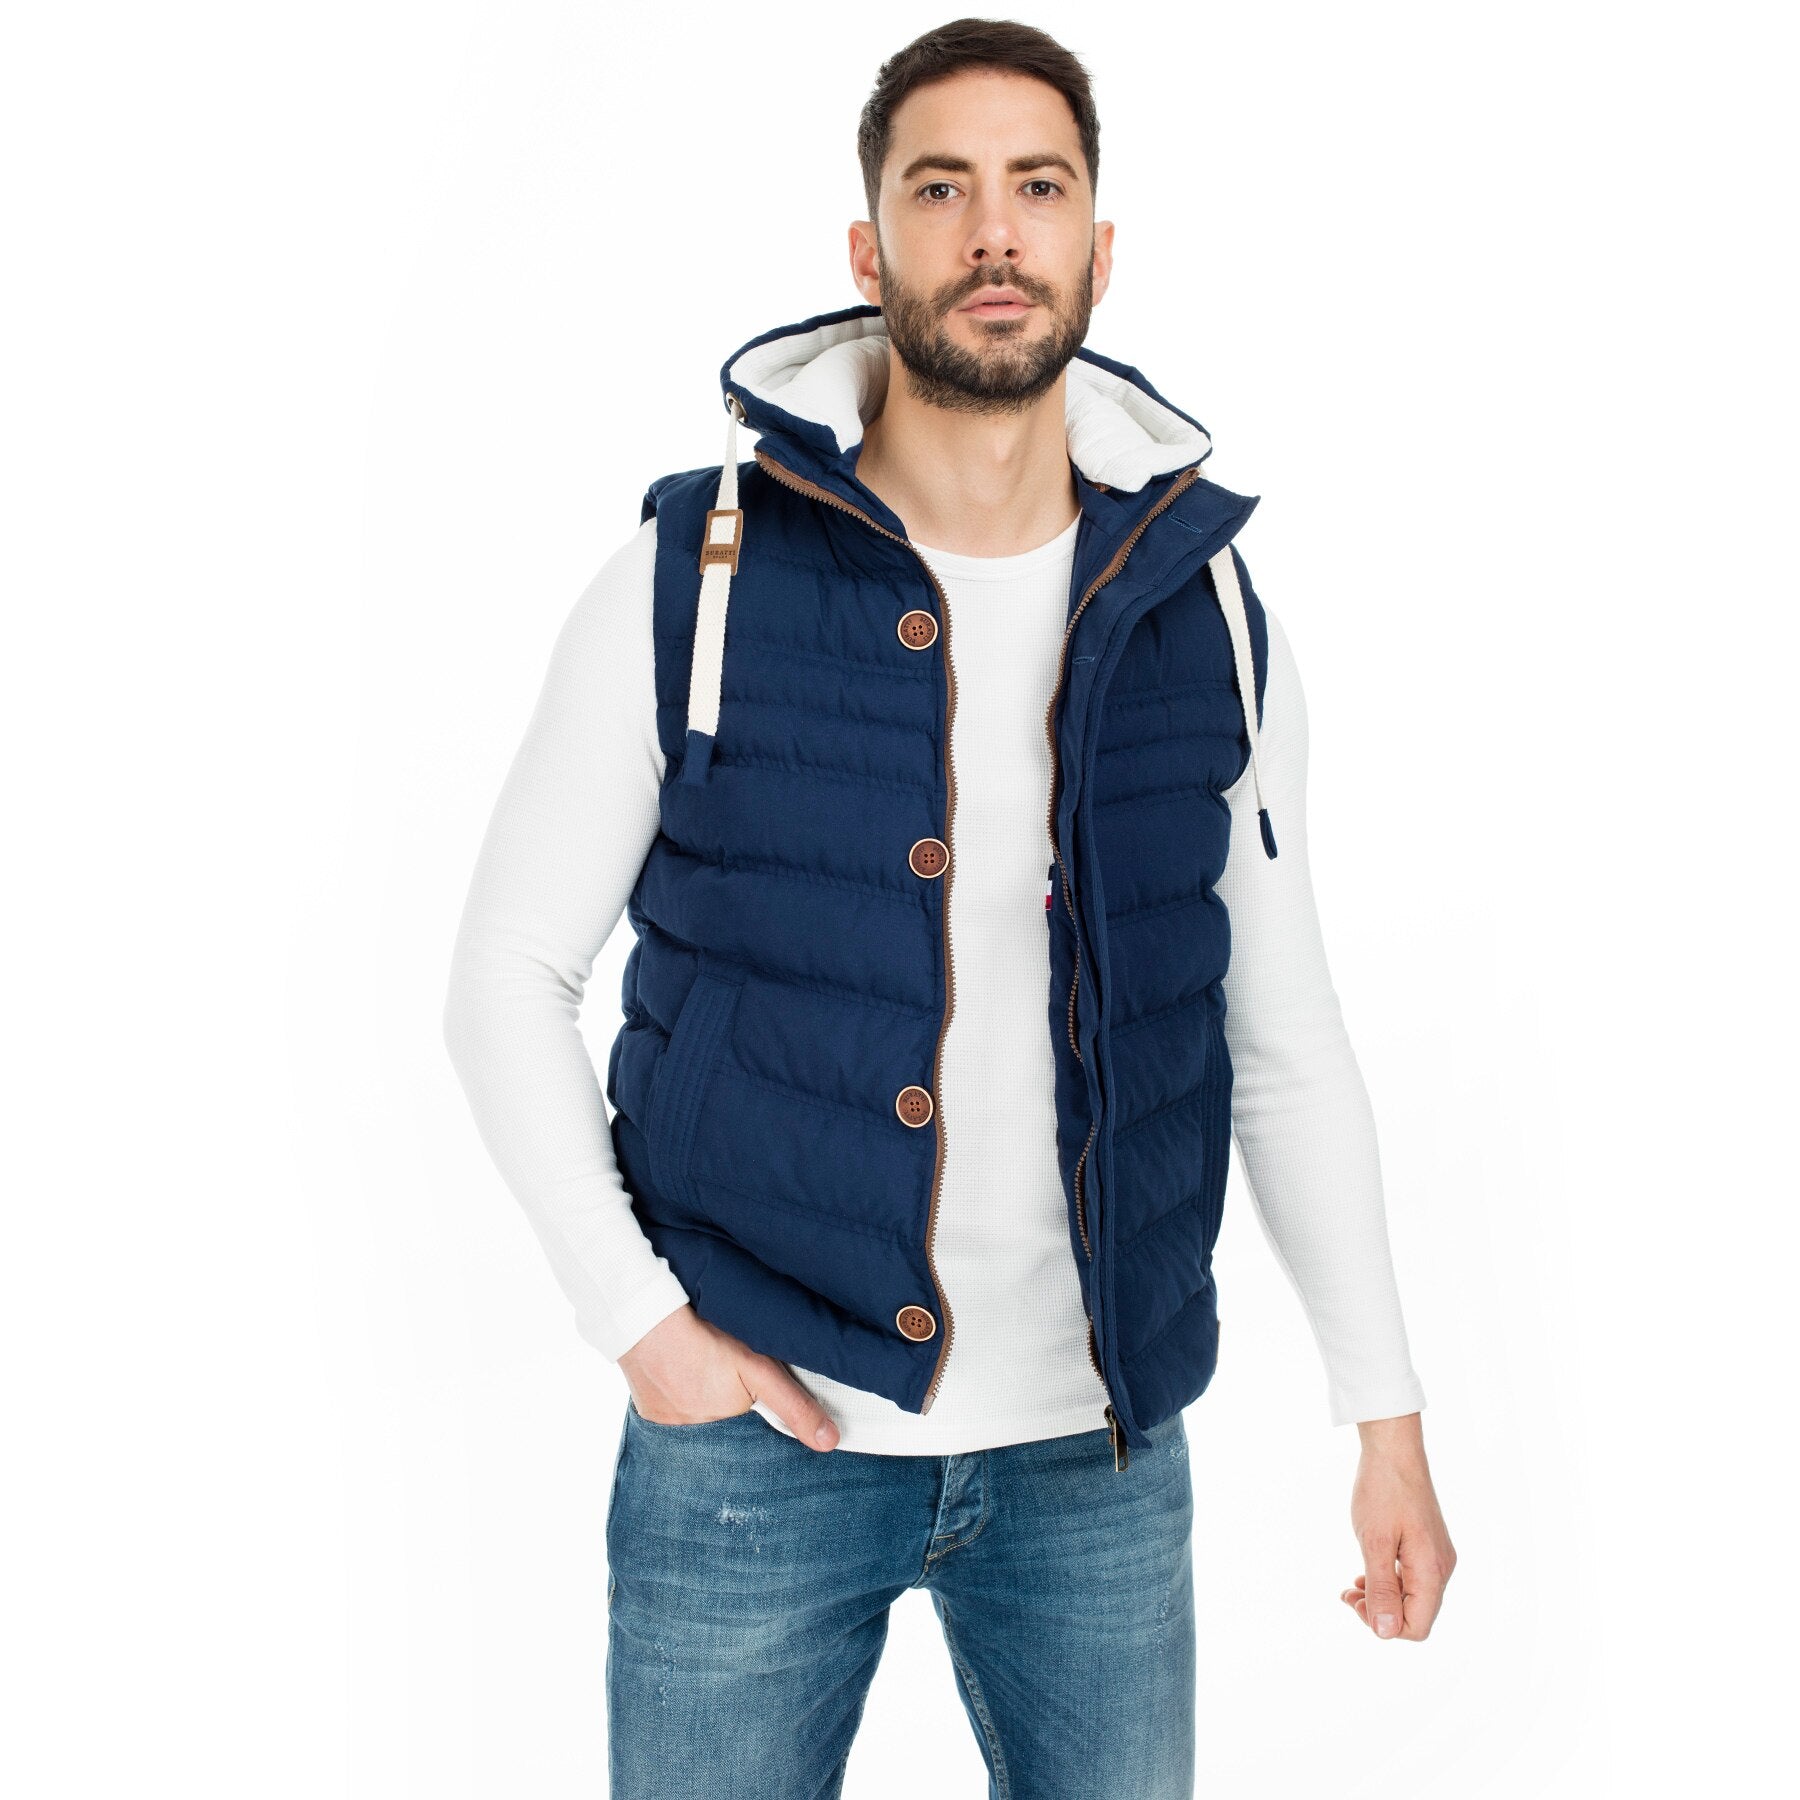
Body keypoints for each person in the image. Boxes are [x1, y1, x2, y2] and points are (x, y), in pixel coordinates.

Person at [443, 18, 1456, 1797]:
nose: (995, 231)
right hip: (757, 1437)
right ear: (870, 249)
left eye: (1037, 188)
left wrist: (1385, 1414)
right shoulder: (694, 579)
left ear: (1098, 248)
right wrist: (643, 1329)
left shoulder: (1206, 612)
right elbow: (506, 977)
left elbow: (1283, 1038)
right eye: (943, 189)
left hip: (1095, 1454)